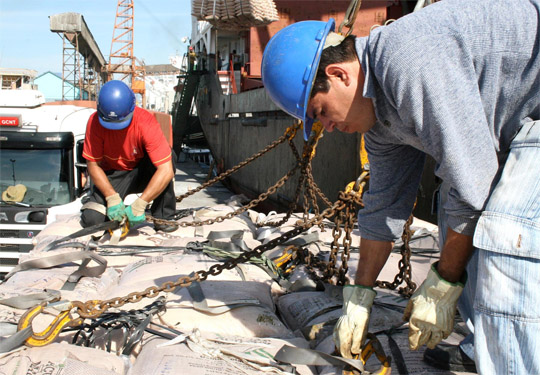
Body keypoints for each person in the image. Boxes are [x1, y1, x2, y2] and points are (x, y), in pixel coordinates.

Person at [261, 0, 540, 374]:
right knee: (456, 224)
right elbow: (384, 208)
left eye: (321, 112)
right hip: (517, 123)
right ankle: (483, 346)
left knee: (506, 240)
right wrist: (359, 298)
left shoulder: (407, 60)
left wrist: (443, 281)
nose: (326, 128)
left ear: (339, 75)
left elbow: (473, 182)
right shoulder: (380, 122)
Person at [81, 80, 178, 233]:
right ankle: (111, 205)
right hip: (113, 174)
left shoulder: (145, 122)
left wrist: (141, 203)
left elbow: (165, 170)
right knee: (92, 220)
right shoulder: (94, 123)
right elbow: (93, 165)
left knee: (167, 156)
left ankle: (164, 215)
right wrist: (111, 196)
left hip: (141, 170)